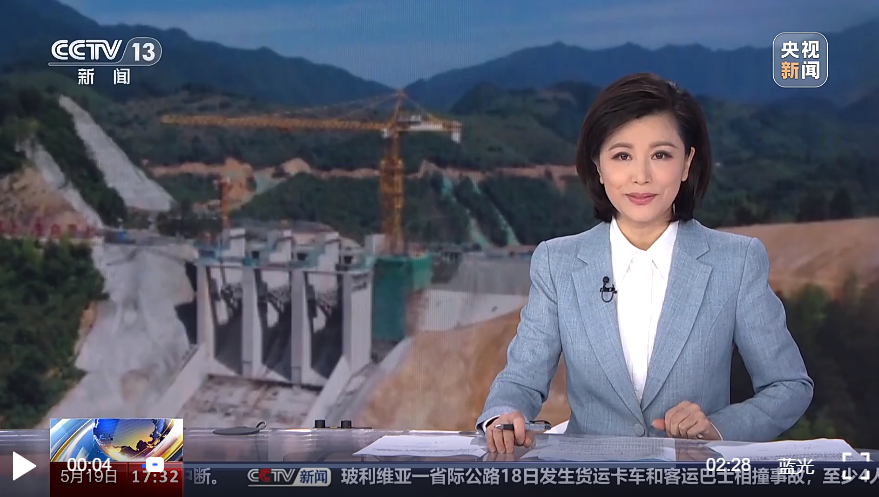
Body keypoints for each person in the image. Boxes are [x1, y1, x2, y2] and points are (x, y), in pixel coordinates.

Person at [477, 73, 814, 453]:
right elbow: (521, 381)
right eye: (622, 156)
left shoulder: (735, 262)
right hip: (589, 475)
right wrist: (502, 416)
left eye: (661, 155)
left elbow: (788, 386)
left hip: (692, 474)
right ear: (598, 165)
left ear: (687, 163)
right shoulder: (558, 263)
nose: (641, 176)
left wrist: (719, 429)